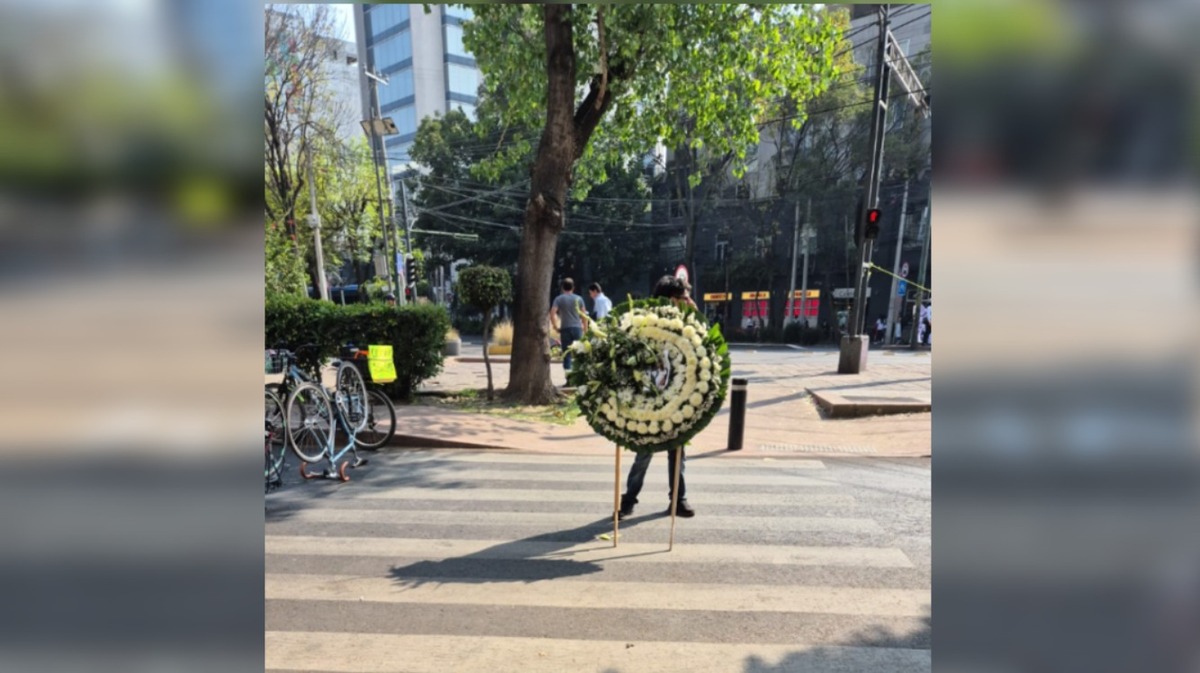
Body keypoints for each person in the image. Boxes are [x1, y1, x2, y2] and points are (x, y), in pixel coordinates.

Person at [617, 275, 698, 521]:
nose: (688, 302)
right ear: (671, 299)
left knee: (678, 451)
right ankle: (629, 500)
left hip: (678, 398)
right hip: (650, 398)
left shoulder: (687, 324)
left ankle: (678, 499)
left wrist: (694, 316)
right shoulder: (646, 324)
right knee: (644, 451)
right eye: (684, 298)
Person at [549, 277, 588, 371]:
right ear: (573, 287)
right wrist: (585, 329)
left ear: (562, 287)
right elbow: (584, 315)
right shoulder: (579, 299)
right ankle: (580, 373)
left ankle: (568, 374)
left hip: (565, 328)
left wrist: (555, 326)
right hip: (577, 328)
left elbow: (552, 313)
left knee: (567, 354)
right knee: (579, 352)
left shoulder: (559, 299)